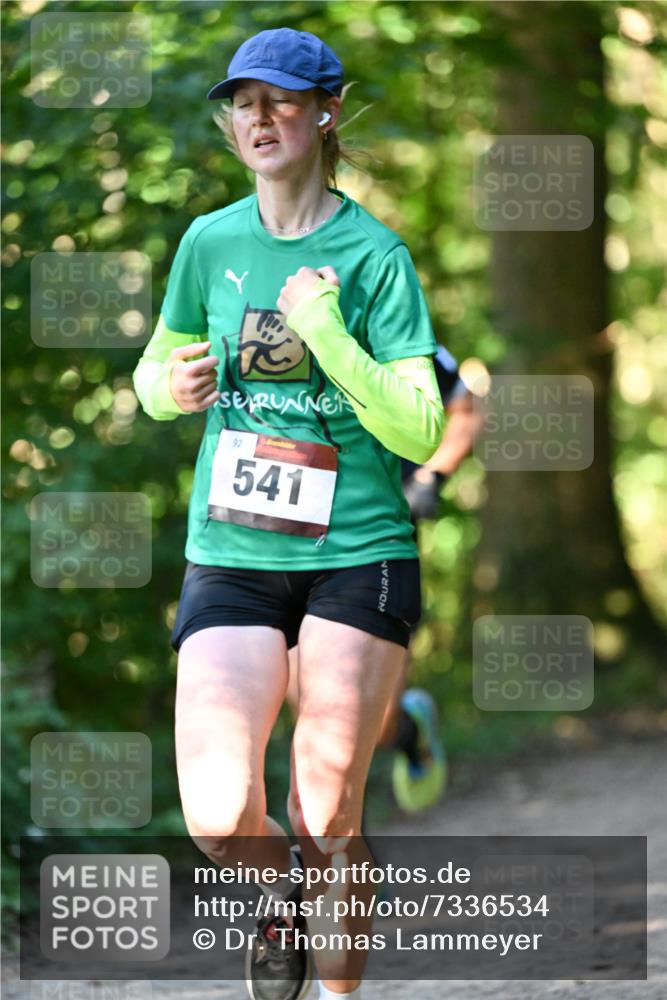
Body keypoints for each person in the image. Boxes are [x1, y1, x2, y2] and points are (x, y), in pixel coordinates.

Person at [133, 26, 445, 1000]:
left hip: (356, 549)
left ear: (326, 111)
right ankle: (278, 908)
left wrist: (327, 334)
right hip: (231, 547)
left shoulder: (373, 254)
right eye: (242, 102)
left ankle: (340, 993)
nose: (258, 118)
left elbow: (418, 424)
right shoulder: (210, 241)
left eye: (280, 99)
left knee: (325, 813)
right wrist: (167, 387)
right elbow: (153, 366)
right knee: (222, 816)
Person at [284, 348, 483, 815]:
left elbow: (468, 407)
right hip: (290, 542)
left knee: (367, 725)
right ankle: (344, 875)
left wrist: (431, 477)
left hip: (377, 539)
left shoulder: (393, 325)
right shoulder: (258, 317)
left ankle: (408, 731)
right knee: (314, 721)